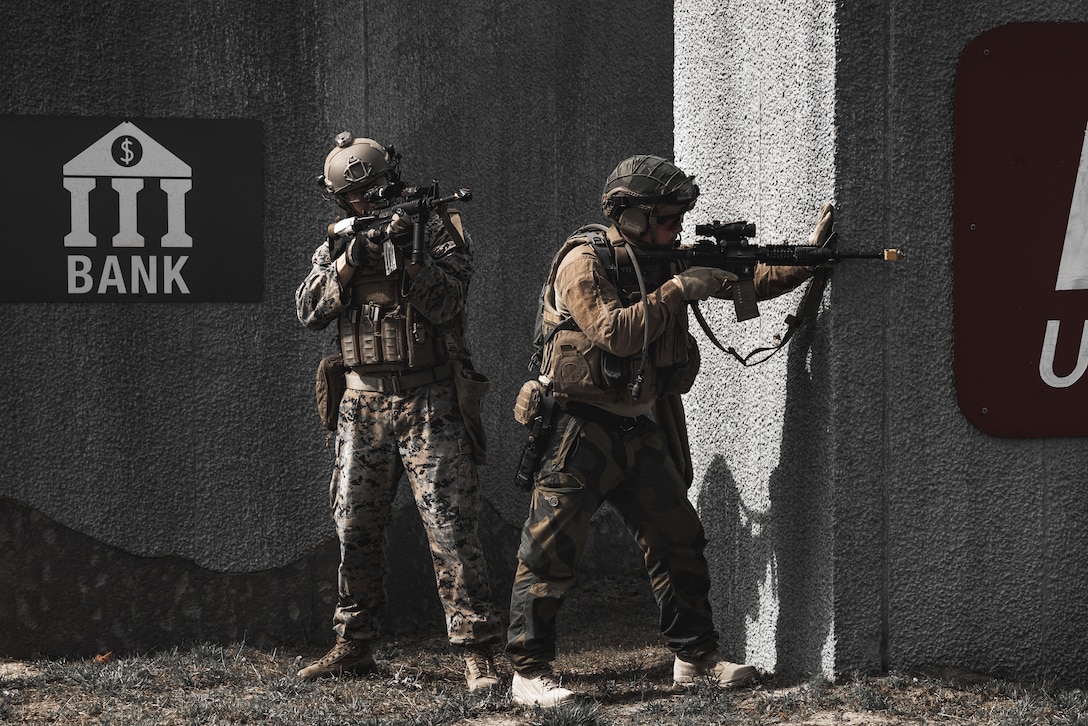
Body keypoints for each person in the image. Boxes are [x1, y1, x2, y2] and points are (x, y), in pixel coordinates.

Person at [505, 154, 833, 707]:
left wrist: (808, 258)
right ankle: (528, 673)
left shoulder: (667, 259)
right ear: (629, 214)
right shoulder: (585, 262)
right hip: (579, 430)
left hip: (639, 426)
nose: (675, 228)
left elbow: (748, 279)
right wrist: (680, 290)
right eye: (664, 217)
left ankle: (695, 657)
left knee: (678, 539)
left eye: (678, 217)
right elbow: (612, 333)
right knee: (550, 549)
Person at [295, 131, 503, 690]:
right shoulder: (339, 242)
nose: (372, 203)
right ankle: (353, 643)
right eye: (359, 199)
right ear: (343, 201)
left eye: (380, 189)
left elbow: (448, 303)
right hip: (361, 403)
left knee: (451, 528)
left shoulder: (435, 228)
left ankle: (478, 650)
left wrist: (410, 257)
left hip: (429, 398)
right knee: (354, 525)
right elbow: (310, 311)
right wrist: (349, 262)